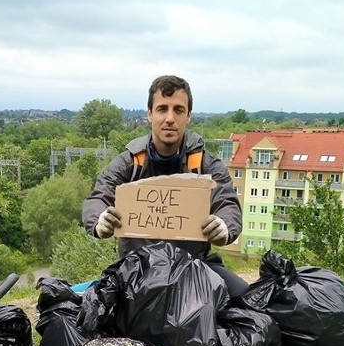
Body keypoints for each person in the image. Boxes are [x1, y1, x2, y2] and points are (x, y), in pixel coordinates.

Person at [82, 74, 247, 298]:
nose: (170, 118)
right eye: (162, 109)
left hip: (195, 267)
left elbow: (227, 202)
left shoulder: (204, 164)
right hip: (136, 271)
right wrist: (99, 220)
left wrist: (224, 226)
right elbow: (98, 197)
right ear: (150, 114)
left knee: (249, 302)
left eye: (178, 110)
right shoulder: (130, 163)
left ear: (188, 116)